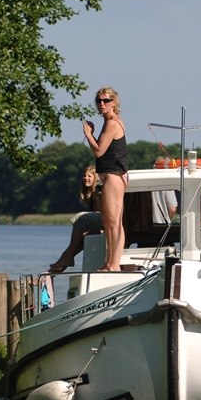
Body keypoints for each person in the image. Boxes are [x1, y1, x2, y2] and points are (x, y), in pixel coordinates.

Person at [83, 86, 128, 271]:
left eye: (106, 100)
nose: (102, 104)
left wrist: (88, 134)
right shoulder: (110, 121)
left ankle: (113, 264)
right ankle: (110, 263)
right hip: (112, 175)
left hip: (113, 175)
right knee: (110, 221)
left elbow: (99, 151)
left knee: (113, 221)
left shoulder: (112, 123)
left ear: (114, 102)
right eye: (99, 101)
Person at [49, 166, 103, 273]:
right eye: (84, 175)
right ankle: (61, 264)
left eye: (89, 176)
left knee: (80, 229)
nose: (85, 178)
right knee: (80, 241)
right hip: (101, 227)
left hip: (106, 226)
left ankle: (62, 262)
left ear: (96, 177)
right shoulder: (92, 193)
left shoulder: (98, 191)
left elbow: (100, 214)